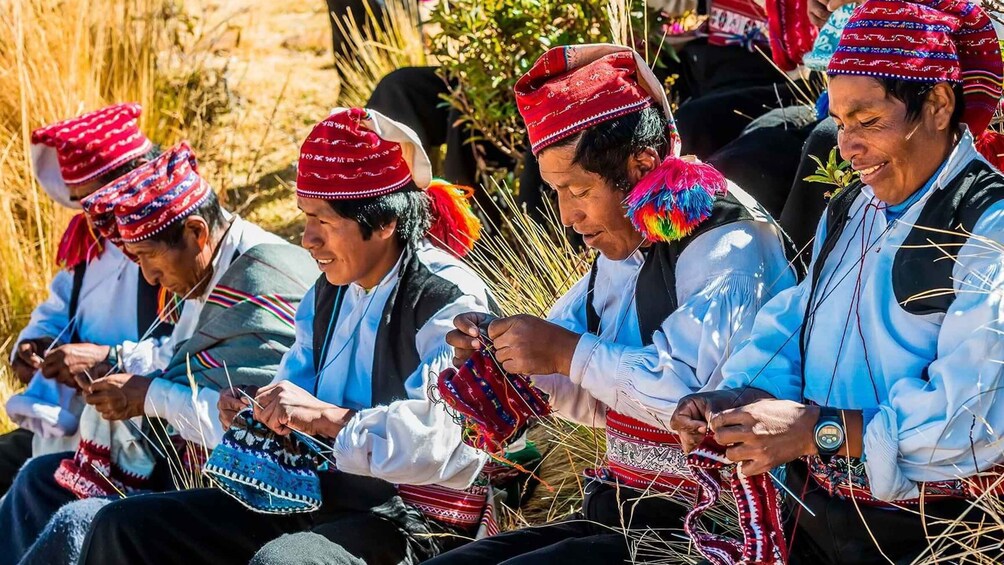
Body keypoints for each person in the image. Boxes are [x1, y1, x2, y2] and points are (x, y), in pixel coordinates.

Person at [427, 43, 796, 565]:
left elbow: (688, 396)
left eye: (578, 189)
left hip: (703, 525)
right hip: (624, 507)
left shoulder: (729, 242)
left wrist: (563, 353)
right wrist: (506, 354)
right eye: (558, 191)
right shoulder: (629, 243)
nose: (569, 215)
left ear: (641, 163)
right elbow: (589, 387)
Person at [76, 108, 495, 565]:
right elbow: (296, 395)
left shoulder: (446, 295)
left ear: (384, 223)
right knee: (126, 527)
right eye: (305, 217)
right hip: (321, 496)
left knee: (284, 562)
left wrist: (326, 418)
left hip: (413, 520)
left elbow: (447, 441)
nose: (307, 238)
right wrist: (262, 411)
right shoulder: (326, 293)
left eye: (323, 221)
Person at [671, 1, 1004, 562]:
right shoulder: (852, 209)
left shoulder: (989, 225)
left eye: (869, 122)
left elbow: (970, 424)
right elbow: (797, 319)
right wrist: (740, 395)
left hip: (927, 537)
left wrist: (813, 432)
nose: (847, 147)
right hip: (820, 518)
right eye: (842, 121)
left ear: (939, 106)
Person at [0, 142, 318, 565]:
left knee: (85, 519)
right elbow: (175, 358)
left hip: (245, 492)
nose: (150, 276)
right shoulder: (205, 269)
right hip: (176, 458)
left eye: (150, 259)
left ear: (196, 233)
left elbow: (258, 432)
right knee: (39, 480)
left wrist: (148, 396)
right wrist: (116, 366)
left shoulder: (261, 283)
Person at [2, 104, 172, 496]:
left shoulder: (173, 246)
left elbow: (192, 353)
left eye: (95, 200)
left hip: (143, 436)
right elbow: (55, 311)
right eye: (80, 202)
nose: (89, 215)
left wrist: (108, 358)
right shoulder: (89, 244)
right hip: (74, 423)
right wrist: (32, 346)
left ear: (129, 179)